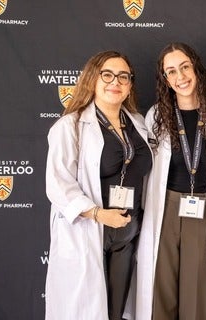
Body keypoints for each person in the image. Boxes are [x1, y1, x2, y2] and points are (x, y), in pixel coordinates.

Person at [45, 50, 152, 320]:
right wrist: (98, 214)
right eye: (107, 74)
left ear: (129, 86)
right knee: (86, 311)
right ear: (93, 79)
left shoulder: (138, 125)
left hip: (127, 237)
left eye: (123, 77)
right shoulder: (70, 126)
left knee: (116, 311)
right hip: (89, 231)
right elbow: (58, 183)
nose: (115, 82)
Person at [134, 42, 206, 320]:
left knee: (198, 292)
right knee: (161, 288)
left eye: (185, 67)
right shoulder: (157, 115)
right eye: (171, 71)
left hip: (203, 208)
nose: (181, 77)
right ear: (165, 79)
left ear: (196, 68)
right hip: (165, 208)